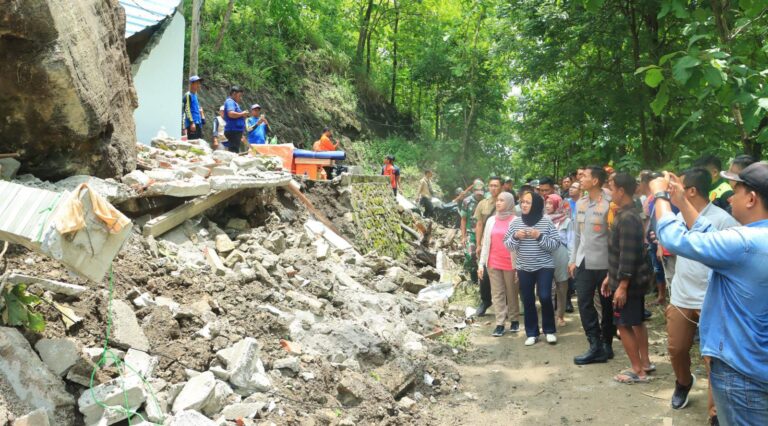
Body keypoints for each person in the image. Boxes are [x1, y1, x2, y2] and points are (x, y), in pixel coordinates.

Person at [651, 162, 768, 426]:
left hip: (742, 373)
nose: (728, 195)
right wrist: (681, 201)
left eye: (735, 190)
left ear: (751, 198)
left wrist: (659, 195)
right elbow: (711, 235)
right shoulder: (753, 240)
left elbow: (673, 238)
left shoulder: (744, 243)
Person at [662, 168, 738, 419]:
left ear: (691, 191)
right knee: (676, 348)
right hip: (682, 296)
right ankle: (683, 382)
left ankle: (715, 413)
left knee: (712, 359)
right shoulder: (678, 215)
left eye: (680, 185)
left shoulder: (722, 220)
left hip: (711, 300)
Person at [600, 173, 653, 384]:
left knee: (623, 324)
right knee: (636, 321)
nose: (610, 192)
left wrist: (621, 285)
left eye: (612, 188)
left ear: (621, 191)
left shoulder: (628, 218)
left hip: (629, 284)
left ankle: (638, 370)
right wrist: (609, 276)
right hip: (625, 279)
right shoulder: (627, 213)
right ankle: (645, 363)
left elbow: (628, 255)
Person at [570, 166, 616, 365]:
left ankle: (607, 344)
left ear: (595, 181)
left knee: (607, 306)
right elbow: (577, 235)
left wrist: (613, 269)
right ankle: (594, 344)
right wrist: (573, 260)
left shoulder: (609, 204)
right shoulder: (580, 203)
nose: (581, 179)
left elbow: (614, 239)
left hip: (604, 264)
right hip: (583, 262)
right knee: (584, 303)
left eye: (585, 176)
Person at [504, 191, 560, 346]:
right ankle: (532, 333)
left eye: (528, 202)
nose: (524, 205)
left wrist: (539, 236)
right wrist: (516, 237)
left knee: (544, 296)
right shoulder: (515, 223)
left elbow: (555, 244)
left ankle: (549, 331)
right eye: (522, 202)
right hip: (524, 267)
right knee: (528, 299)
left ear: (535, 204)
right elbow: (507, 245)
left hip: (544, 266)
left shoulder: (546, 222)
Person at [479, 192, 520, 336]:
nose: (498, 203)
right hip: (493, 262)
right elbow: (485, 244)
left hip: (511, 263)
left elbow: (520, 245)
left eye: (502, 200)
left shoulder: (515, 221)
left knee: (512, 292)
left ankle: (514, 319)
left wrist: (519, 266)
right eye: (497, 200)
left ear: (509, 202)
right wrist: (481, 264)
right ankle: (500, 323)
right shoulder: (491, 220)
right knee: (497, 293)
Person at [474, 177, 503, 316]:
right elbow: (479, 224)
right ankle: (485, 300)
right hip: (487, 244)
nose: (493, 188)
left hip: (503, 245)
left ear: (501, 187)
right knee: (484, 274)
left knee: (505, 274)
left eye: (496, 186)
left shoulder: (507, 203)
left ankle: (507, 304)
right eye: (491, 185)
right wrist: (478, 244)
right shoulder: (483, 204)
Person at [545, 194, 572, 327]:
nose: (548, 206)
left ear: (557, 204)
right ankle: (548, 315)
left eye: (551, 203)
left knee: (562, 287)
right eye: (547, 203)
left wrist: (571, 260)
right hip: (545, 255)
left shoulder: (566, 221)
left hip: (561, 256)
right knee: (546, 287)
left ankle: (560, 315)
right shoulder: (543, 219)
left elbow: (571, 241)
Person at [461, 184, 484, 284]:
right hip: (471, 233)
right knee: (471, 255)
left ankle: (484, 281)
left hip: (484, 234)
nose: (479, 194)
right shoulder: (467, 201)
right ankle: (474, 280)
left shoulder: (487, 201)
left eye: (481, 192)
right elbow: (463, 219)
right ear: (474, 191)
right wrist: (463, 236)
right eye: (477, 192)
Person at [223, 86, 249, 153]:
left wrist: (243, 116)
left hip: (236, 130)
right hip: (233, 130)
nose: (241, 98)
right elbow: (230, 114)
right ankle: (232, 162)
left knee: (235, 149)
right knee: (233, 150)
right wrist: (242, 114)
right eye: (239, 95)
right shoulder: (230, 102)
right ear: (234, 93)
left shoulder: (234, 103)